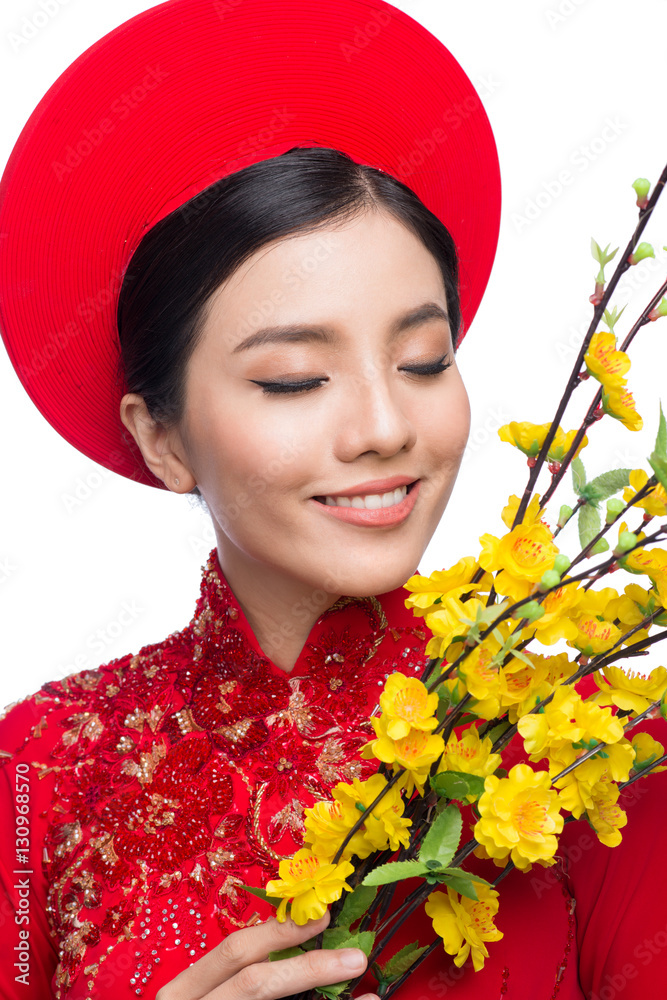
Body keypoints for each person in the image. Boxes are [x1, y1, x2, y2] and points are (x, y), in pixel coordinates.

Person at [1, 2, 666, 999]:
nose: (382, 426)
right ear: (163, 436)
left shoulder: (594, 747)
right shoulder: (37, 776)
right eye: (293, 379)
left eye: (421, 359)